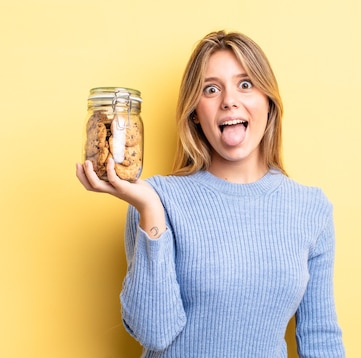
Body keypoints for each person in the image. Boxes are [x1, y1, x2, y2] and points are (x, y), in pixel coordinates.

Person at [76, 30, 345, 357]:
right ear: (195, 114)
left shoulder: (311, 208)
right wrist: (150, 209)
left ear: (269, 103)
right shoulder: (154, 198)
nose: (229, 100)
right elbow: (154, 333)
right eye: (211, 89)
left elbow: (320, 336)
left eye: (245, 85)